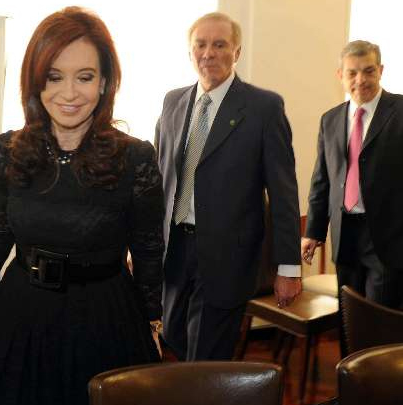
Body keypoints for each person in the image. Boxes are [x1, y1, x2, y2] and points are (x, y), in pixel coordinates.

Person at [0, 7, 164, 404]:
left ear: (104, 82)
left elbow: (148, 248)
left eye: (85, 77)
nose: (69, 93)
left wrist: (153, 321)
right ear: (35, 82)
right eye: (54, 76)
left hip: (105, 319)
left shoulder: (135, 158)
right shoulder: (10, 150)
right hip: (21, 316)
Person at [155, 12, 302, 361]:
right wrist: (141, 246)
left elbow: (283, 193)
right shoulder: (173, 102)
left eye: (219, 44)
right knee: (173, 341)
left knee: (205, 358)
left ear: (237, 52)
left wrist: (288, 268)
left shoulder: (264, 108)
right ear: (190, 52)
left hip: (227, 260)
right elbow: (158, 182)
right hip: (174, 253)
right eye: (200, 45)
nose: (209, 53)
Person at [302, 40, 403, 355]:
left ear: (380, 70)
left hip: (394, 238)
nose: (361, 80)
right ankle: (351, 379)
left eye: (368, 71)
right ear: (340, 75)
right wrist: (313, 231)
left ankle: (383, 381)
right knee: (349, 320)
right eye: (352, 73)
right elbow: (322, 180)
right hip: (346, 235)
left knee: (383, 325)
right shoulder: (330, 119)